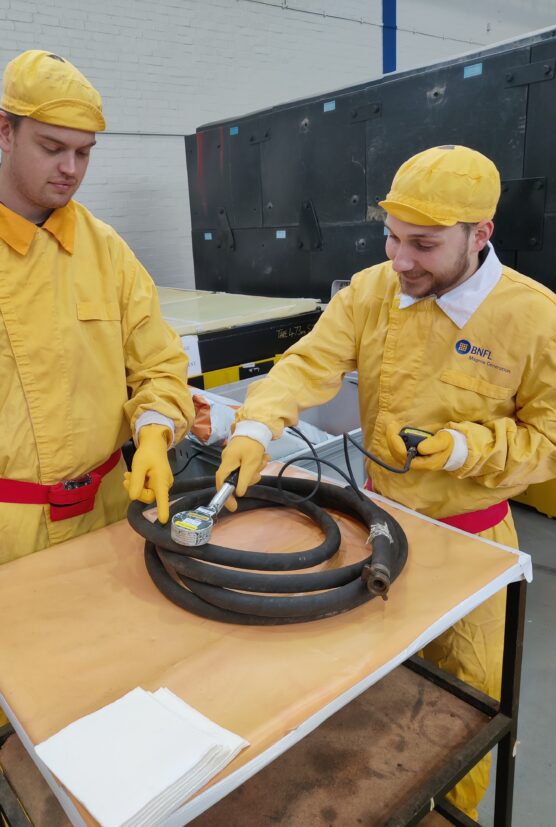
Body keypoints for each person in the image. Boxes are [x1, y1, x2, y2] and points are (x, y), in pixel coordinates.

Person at [216, 144, 556, 819]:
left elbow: (547, 441)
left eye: (423, 245)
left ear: (480, 234)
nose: (399, 260)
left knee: (467, 703)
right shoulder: (374, 290)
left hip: (474, 546)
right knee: (382, 692)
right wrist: (255, 428)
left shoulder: (534, 317)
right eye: (391, 237)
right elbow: (310, 362)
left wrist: (468, 448)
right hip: (380, 530)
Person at [0, 50, 194, 733]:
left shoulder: (106, 249)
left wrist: (157, 431)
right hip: (2, 535)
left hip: (111, 509)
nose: (70, 170)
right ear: (3, 131)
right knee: (21, 710)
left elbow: (160, 363)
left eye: (85, 153)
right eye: (53, 147)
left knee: (121, 687)